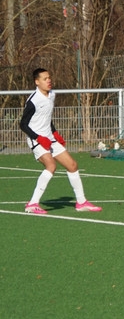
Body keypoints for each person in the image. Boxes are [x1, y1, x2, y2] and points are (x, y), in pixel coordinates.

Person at [19, 67, 101, 214]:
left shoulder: (52, 94)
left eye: (49, 77)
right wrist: (38, 138)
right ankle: (32, 204)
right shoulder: (33, 101)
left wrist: (55, 133)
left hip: (49, 138)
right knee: (51, 166)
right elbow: (23, 124)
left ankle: (81, 202)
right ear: (37, 82)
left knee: (72, 165)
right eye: (45, 79)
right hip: (36, 139)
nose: (48, 81)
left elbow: (46, 117)